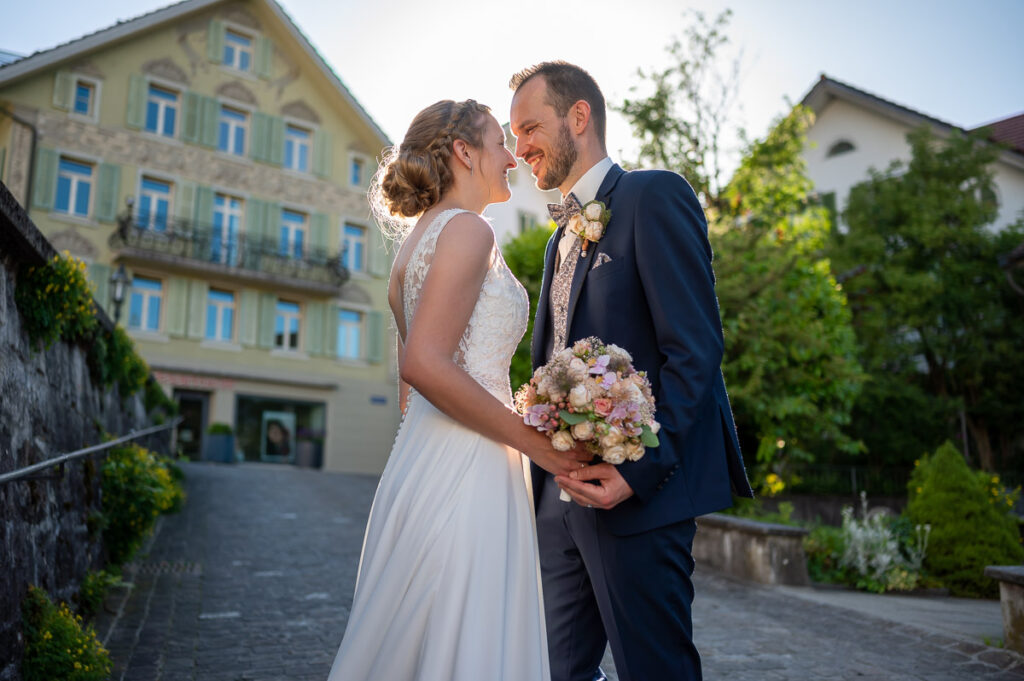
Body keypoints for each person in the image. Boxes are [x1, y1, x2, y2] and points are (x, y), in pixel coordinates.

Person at [326, 99, 590, 681]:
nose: (512, 158)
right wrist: (537, 444)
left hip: (421, 460)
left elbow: (409, 393)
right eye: (499, 142)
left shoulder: (410, 252)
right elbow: (425, 364)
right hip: (470, 467)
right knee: (467, 635)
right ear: (464, 153)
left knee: (419, 635)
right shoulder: (468, 230)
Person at [509, 61, 754, 681]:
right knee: (555, 670)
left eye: (530, 128)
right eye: (514, 136)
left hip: (638, 500)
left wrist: (636, 473)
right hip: (557, 503)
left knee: (655, 670)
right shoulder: (554, 238)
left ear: (579, 117)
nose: (520, 149)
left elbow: (694, 351)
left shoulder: (654, 195)